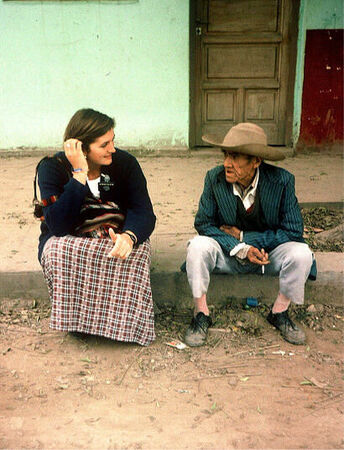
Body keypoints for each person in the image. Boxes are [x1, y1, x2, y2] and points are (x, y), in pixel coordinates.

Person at [184, 122, 316, 347]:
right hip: (228, 254)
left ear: (256, 161)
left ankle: (279, 313)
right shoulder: (214, 179)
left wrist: (245, 237)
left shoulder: (282, 181)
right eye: (226, 155)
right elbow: (204, 223)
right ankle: (201, 314)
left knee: (302, 253)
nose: (227, 163)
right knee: (197, 246)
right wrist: (241, 248)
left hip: (268, 256)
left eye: (235, 157)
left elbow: (294, 230)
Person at [37, 108, 156, 346]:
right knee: (57, 251)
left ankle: (125, 325)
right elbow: (58, 225)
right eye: (104, 145)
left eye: (113, 141)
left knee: (137, 251)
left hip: (114, 236)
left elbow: (143, 211)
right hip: (71, 239)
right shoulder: (52, 168)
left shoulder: (125, 164)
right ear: (82, 147)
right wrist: (79, 174)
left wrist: (129, 237)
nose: (112, 149)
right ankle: (77, 322)